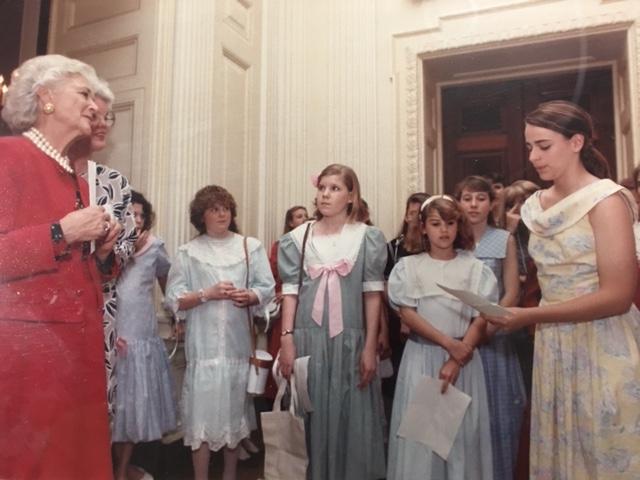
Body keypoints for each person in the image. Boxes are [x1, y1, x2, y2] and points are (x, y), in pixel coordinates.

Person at [486, 100, 640, 478]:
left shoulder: (606, 200)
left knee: (605, 453)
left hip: (603, 343)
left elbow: (618, 296)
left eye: (544, 146)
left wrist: (530, 315)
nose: (534, 156)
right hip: (555, 348)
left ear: (576, 142)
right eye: (529, 147)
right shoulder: (535, 205)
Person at [0, 54, 120, 478]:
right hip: (28, 364)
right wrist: (61, 233)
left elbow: (80, 272)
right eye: (84, 94)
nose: (94, 106)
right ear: (45, 98)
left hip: (77, 357)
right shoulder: (7, 155)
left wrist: (103, 253)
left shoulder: (78, 178)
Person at [277, 164, 387, 480]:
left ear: (351, 196)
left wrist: (369, 347)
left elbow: (372, 296)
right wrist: (287, 339)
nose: (325, 194)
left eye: (335, 188)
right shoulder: (298, 238)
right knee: (309, 418)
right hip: (309, 341)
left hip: (349, 342)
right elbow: (291, 292)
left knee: (349, 417)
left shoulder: (366, 237)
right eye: (322, 187)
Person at [165, 185, 275, 480]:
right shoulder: (188, 252)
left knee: (233, 418)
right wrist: (207, 293)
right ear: (202, 216)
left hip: (237, 349)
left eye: (225, 207)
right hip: (203, 351)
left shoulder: (249, 247)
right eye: (214, 209)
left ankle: (230, 476)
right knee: (200, 419)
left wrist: (249, 296)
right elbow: (174, 298)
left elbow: (267, 289)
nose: (222, 213)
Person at [386, 195, 496, 479]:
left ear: (459, 226)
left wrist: (459, 357)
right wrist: (450, 346)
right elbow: (408, 314)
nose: (444, 231)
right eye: (436, 224)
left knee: (460, 436)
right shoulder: (409, 268)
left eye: (450, 223)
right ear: (423, 227)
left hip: (464, 361)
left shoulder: (474, 268)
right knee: (423, 440)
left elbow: (481, 316)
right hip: (424, 360)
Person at [68, 79, 137, 421]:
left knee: (93, 421)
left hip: (99, 319)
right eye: (94, 115)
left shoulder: (114, 183)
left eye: (108, 118)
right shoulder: (37, 171)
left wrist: (107, 252)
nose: (102, 125)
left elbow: (124, 252)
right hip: (43, 321)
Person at [455, 175, 525, 480]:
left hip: (493, 339)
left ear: (491, 203)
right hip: (457, 338)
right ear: (457, 202)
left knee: (497, 418)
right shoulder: (452, 238)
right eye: (467, 198)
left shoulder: (503, 239)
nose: (473, 205)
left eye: (480, 198)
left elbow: (511, 291)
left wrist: (491, 326)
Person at [112, 191, 176, 480]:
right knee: (112, 414)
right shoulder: (103, 247)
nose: (136, 220)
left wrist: (174, 311)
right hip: (113, 339)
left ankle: (123, 471)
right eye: (131, 215)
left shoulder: (154, 247)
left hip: (141, 338)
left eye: (141, 215)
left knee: (133, 414)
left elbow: (167, 278)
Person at [382, 192, 429, 401]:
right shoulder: (393, 248)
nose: (416, 220)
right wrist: (403, 317)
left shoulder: (438, 248)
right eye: (412, 214)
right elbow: (384, 286)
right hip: (399, 326)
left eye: (421, 215)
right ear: (406, 217)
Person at [265, 205, 308, 400]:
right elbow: (271, 277)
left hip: (308, 307)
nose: (304, 220)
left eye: (306, 216)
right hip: (286, 311)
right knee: (281, 356)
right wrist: (279, 292)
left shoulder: (315, 243)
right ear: (290, 222)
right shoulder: (281, 245)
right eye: (299, 217)